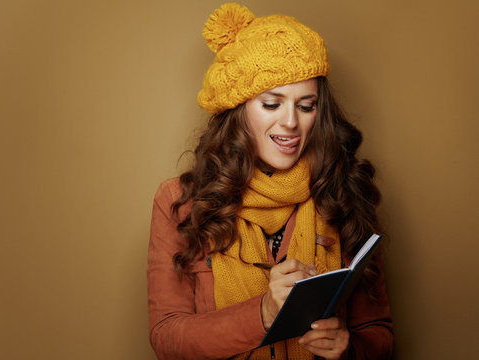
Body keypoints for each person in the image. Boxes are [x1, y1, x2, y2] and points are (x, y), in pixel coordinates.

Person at [147, 3, 393, 359]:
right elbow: (167, 337)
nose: (291, 123)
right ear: (239, 108)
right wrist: (263, 312)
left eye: (306, 106)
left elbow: (381, 334)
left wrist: (349, 348)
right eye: (272, 104)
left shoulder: (342, 191)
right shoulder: (182, 201)